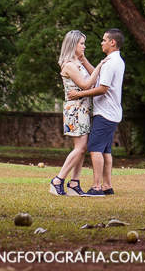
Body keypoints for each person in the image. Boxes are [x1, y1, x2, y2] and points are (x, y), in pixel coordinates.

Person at [67, 28, 125, 196]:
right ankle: (107, 186)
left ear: (112, 42)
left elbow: (102, 88)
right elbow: (98, 78)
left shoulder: (110, 62)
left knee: (95, 149)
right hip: (111, 113)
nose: (102, 42)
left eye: (104, 40)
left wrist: (79, 94)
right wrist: (84, 60)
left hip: (105, 113)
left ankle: (97, 187)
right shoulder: (115, 60)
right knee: (106, 150)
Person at [50, 30, 104, 196]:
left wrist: (87, 61)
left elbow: (96, 76)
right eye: (81, 43)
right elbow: (87, 85)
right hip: (75, 110)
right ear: (73, 45)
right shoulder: (69, 65)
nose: (84, 46)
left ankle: (74, 183)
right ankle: (58, 180)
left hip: (84, 109)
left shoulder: (77, 63)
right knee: (80, 148)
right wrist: (101, 65)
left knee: (82, 148)